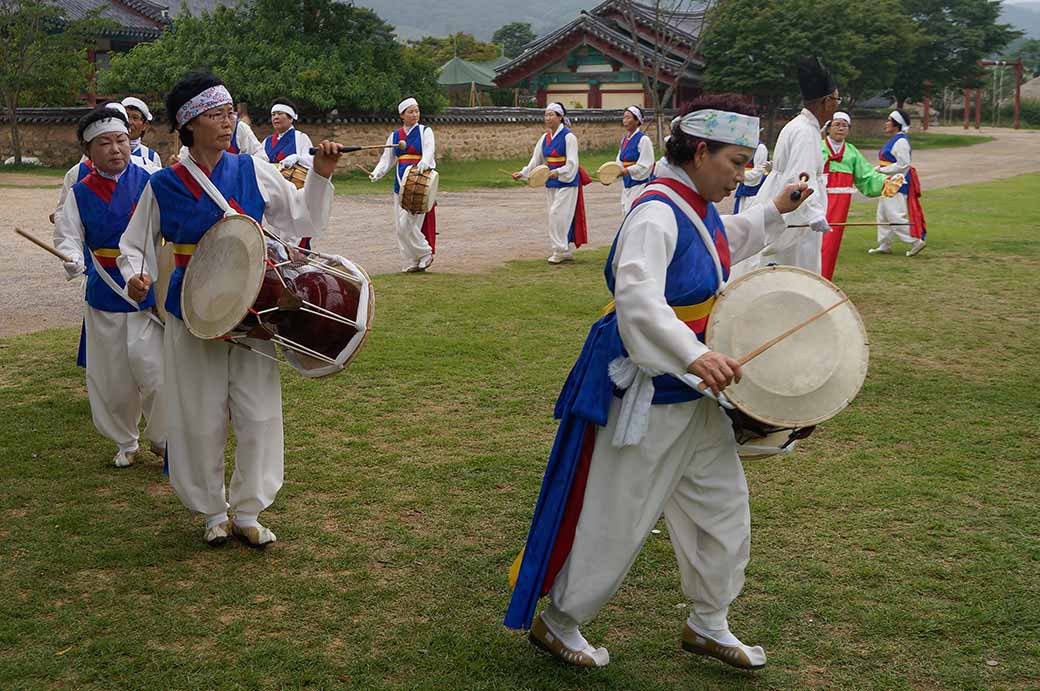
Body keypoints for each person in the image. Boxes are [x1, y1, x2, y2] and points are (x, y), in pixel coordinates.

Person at [504, 95, 817, 672]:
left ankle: (708, 621)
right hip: (646, 395)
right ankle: (560, 621)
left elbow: (724, 239)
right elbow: (638, 303)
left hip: (696, 398)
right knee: (618, 514)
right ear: (700, 152)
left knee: (722, 509)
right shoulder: (654, 211)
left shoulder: (691, 205)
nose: (741, 174)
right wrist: (695, 354)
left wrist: (775, 208)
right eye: (735, 161)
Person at [118, 72, 341, 547]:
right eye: (217, 114)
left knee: (258, 413)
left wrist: (320, 175)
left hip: (255, 308)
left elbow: (302, 218)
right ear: (190, 123)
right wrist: (135, 274)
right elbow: (134, 244)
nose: (228, 122)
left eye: (230, 112)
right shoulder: (163, 185)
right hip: (194, 313)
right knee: (200, 415)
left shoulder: (253, 170)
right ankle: (211, 511)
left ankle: (248, 510)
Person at [53, 105, 165, 467]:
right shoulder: (80, 192)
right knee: (112, 376)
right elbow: (67, 235)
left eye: (121, 140)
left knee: (156, 370)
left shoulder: (151, 182)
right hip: (104, 292)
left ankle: (163, 435)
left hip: (146, 289)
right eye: (105, 143)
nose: (116, 149)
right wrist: (72, 257)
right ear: (88, 151)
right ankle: (125, 440)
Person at [733, 56, 838, 276]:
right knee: (793, 267)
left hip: (789, 204)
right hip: (797, 214)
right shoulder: (805, 131)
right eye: (837, 100)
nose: (837, 105)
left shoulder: (802, 126)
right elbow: (801, 178)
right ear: (826, 101)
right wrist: (814, 214)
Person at [513, 102, 589, 264]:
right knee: (555, 215)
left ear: (560, 117)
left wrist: (558, 171)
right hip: (551, 181)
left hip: (567, 182)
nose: (547, 118)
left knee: (557, 214)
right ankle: (565, 249)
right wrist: (523, 173)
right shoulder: (544, 138)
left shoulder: (569, 137)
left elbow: (572, 163)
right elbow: (536, 160)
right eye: (546, 115)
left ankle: (559, 250)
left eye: (551, 115)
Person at [369, 97, 436, 272]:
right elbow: (387, 159)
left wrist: (425, 161)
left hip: (419, 181)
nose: (415, 114)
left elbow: (429, 150)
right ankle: (414, 259)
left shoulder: (424, 131)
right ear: (402, 115)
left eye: (417, 111)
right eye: (411, 112)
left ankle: (425, 253)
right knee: (400, 226)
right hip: (401, 182)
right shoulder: (395, 135)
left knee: (409, 223)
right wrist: (377, 172)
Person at [819, 112, 889, 280]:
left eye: (845, 125)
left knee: (831, 244)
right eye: (837, 124)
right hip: (818, 200)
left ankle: (824, 280)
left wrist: (887, 182)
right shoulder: (817, 147)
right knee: (812, 243)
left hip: (840, 205)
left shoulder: (851, 152)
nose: (841, 128)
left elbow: (867, 176)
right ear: (828, 128)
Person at [868, 109, 926, 257]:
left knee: (894, 215)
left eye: (889, 120)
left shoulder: (901, 142)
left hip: (896, 183)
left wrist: (882, 170)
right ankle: (884, 244)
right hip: (889, 182)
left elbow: (903, 165)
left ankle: (915, 240)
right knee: (882, 215)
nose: (886, 123)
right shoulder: (896, 139)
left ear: (897, 124)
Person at [615, 105, 655, 214]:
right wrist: (617, 169)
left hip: (639, 185)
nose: (625, 121)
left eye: (628, 118)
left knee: (636, 213)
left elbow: (646, 164)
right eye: (624, 118)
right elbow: (620, 158)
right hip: (627, 184)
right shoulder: (624, 140)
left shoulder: (643, 140)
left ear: (637, 120)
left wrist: (628, 171)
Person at [258, 98, 314, 170]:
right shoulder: (267, 141)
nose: (276, 117)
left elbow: (312, 161)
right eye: (273, 114)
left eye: (280, 113)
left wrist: (298, 158)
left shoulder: (300, 138)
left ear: (291, 119)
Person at [121, 97, 162, 173]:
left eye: (135, 118)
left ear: (145, 125)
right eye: (126, 116)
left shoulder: (151, 157)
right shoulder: (112, 152)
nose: (129, 122)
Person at [733, 142, 770, 213]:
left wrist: (737, 174)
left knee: (749, 214)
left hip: (754, 189)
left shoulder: (760, 148)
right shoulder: (747, 146)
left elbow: (759, 171)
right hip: (745, 185)